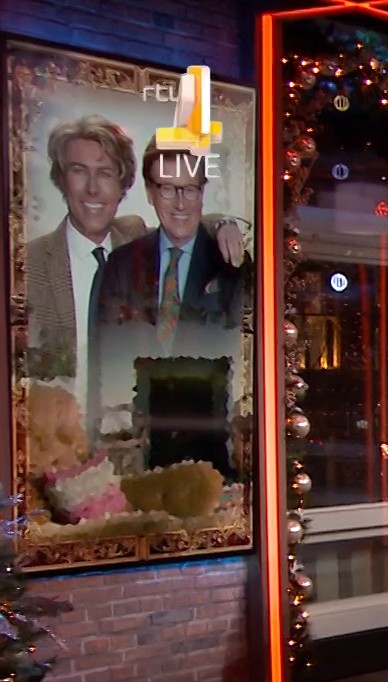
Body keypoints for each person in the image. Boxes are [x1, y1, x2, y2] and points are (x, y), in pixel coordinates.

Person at [24, 116, 244, 442]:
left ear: (123, 185)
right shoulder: (28, 264)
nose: (93, 188)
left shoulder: (132, 236)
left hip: (136, 439)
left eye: (105, 173)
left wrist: (224, 223)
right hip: (57, 441)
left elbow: (184, 221)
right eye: (79, 170)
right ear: (61, 179)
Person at [92, 137, 252, 475]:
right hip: (133, 454)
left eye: (189, 189)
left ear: (202, 193)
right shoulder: (121, 264)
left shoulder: (231, 267)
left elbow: (245, 366)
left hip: (214, 456)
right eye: (167, 189)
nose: (180, 203)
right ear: (150, 193)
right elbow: (105, 361)